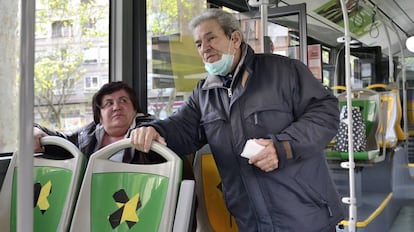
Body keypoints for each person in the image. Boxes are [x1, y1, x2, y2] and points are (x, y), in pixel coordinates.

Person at [130, 8, 344, 232]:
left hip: (304, 214)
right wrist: (153, 129)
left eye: (211, 38)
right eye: (199, 44)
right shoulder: (204, 94)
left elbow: (325, 112)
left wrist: (283, 147)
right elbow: (181, 127)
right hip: (250, 219)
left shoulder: (283, 71)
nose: (205, 48)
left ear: (235, 38)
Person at [33, 81, 166, 164]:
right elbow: (63, 140)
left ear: (135, 109)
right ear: (100, 115)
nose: (116, 107)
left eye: (123, 101)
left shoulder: (150, 129)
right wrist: (35, 130)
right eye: (109, 103)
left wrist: (151, 132)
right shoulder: (86, 136)